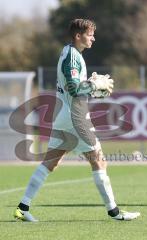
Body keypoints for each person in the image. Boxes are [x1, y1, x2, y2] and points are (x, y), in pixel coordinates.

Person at [14, 18, 140, 222]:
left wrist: (92, 86)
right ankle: (114, 212)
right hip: (75, 117)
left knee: (51, 162)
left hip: (63, 115)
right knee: (99, 160)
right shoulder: (72, 56)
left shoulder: (69, 52)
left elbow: (74, 86)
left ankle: (22, 207)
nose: (93, 38)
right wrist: (93, 85)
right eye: (90, 35)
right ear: (78, 36)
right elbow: (73, 88)